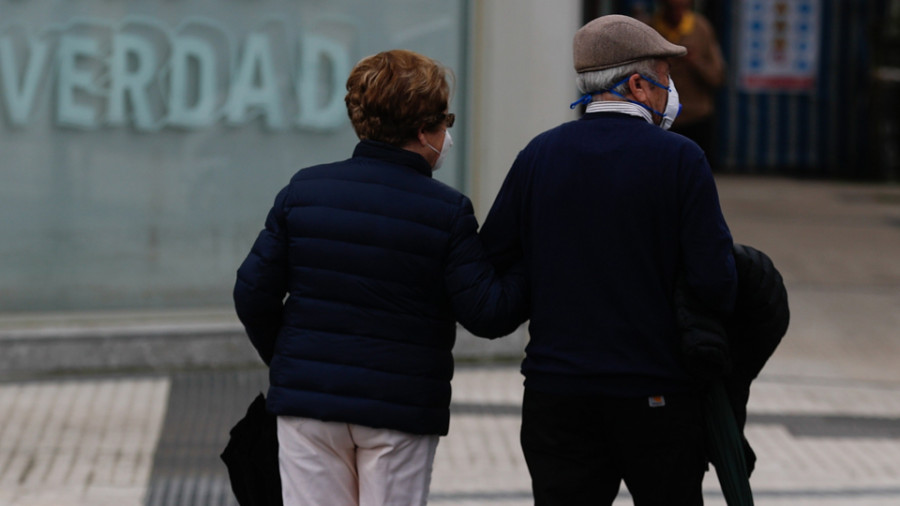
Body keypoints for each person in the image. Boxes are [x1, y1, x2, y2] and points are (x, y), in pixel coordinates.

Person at [233, 49, 528, 506]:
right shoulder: (446, 212)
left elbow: (253, 294)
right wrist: (535, 255)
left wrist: (292, 361)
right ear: (422, 131)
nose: (447, 134)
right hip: (399, 409)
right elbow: (487, 314)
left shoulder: (304, 191)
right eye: (444, 121)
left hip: (309, 405)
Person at [479, 15, 738, 505]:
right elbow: (716, 284)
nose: (672, 91)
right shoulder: (681, 160)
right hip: (656, 394)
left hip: (556, 394)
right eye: (667, 77)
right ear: (638, 84)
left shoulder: (539, 155)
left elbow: (493, 262)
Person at [651, 0, 726, 165]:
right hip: (659, 118)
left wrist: (695, 61)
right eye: (671, 8)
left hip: (696, 116)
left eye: (682, 7)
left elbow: (718, 77)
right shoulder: (650, 29)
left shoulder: (701, 28)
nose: (677, 13)